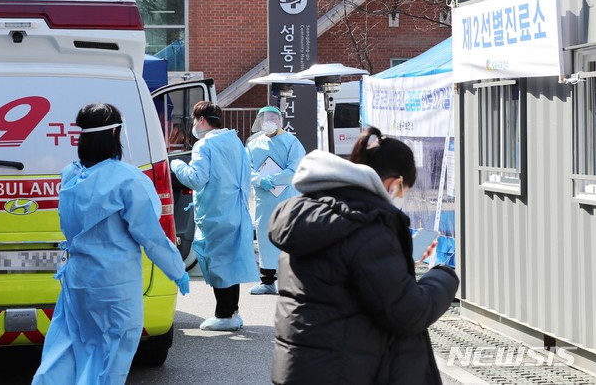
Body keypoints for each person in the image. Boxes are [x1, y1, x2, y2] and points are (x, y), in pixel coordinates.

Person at [268, 127, 459, 384]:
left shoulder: (312, 213)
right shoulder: (370, 229)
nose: (401, 197)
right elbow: (408, 311)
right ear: (394, 183)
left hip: (303, 365)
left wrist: (401, 260)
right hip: (346, 370)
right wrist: (443, 276)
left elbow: (339, 278)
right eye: (405, 190)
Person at [33, 103, 190, 385]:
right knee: (110, 356)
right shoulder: (127, 179)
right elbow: (151, 237)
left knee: (66, 350)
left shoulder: (70, 176)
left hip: (78, 281)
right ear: (115, 133)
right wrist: (177, 270)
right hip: (113, 286)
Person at [170, 100, 258, 331]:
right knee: (231, 264)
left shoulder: (204, 145)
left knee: (218, 264)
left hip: (216, 213)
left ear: (201, 120)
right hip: (235, 210)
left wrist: (177, 165)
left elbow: (196, 179)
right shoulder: (234, 140)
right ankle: (233, 313)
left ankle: (224, 315)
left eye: (193, 119)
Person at [245, 106, 305, 295]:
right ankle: (267, 280)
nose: (269, 121)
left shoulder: (291, 141)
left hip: (286, 196)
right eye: (265, 118)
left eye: (273, 118)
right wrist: (259, 180)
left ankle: (288, 280)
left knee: (286, 236)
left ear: (280, 120)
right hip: (264, 198)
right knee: (264, 236)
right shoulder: (254, 144)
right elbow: (246, 168)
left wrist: (276, 179)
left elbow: (296, 167)